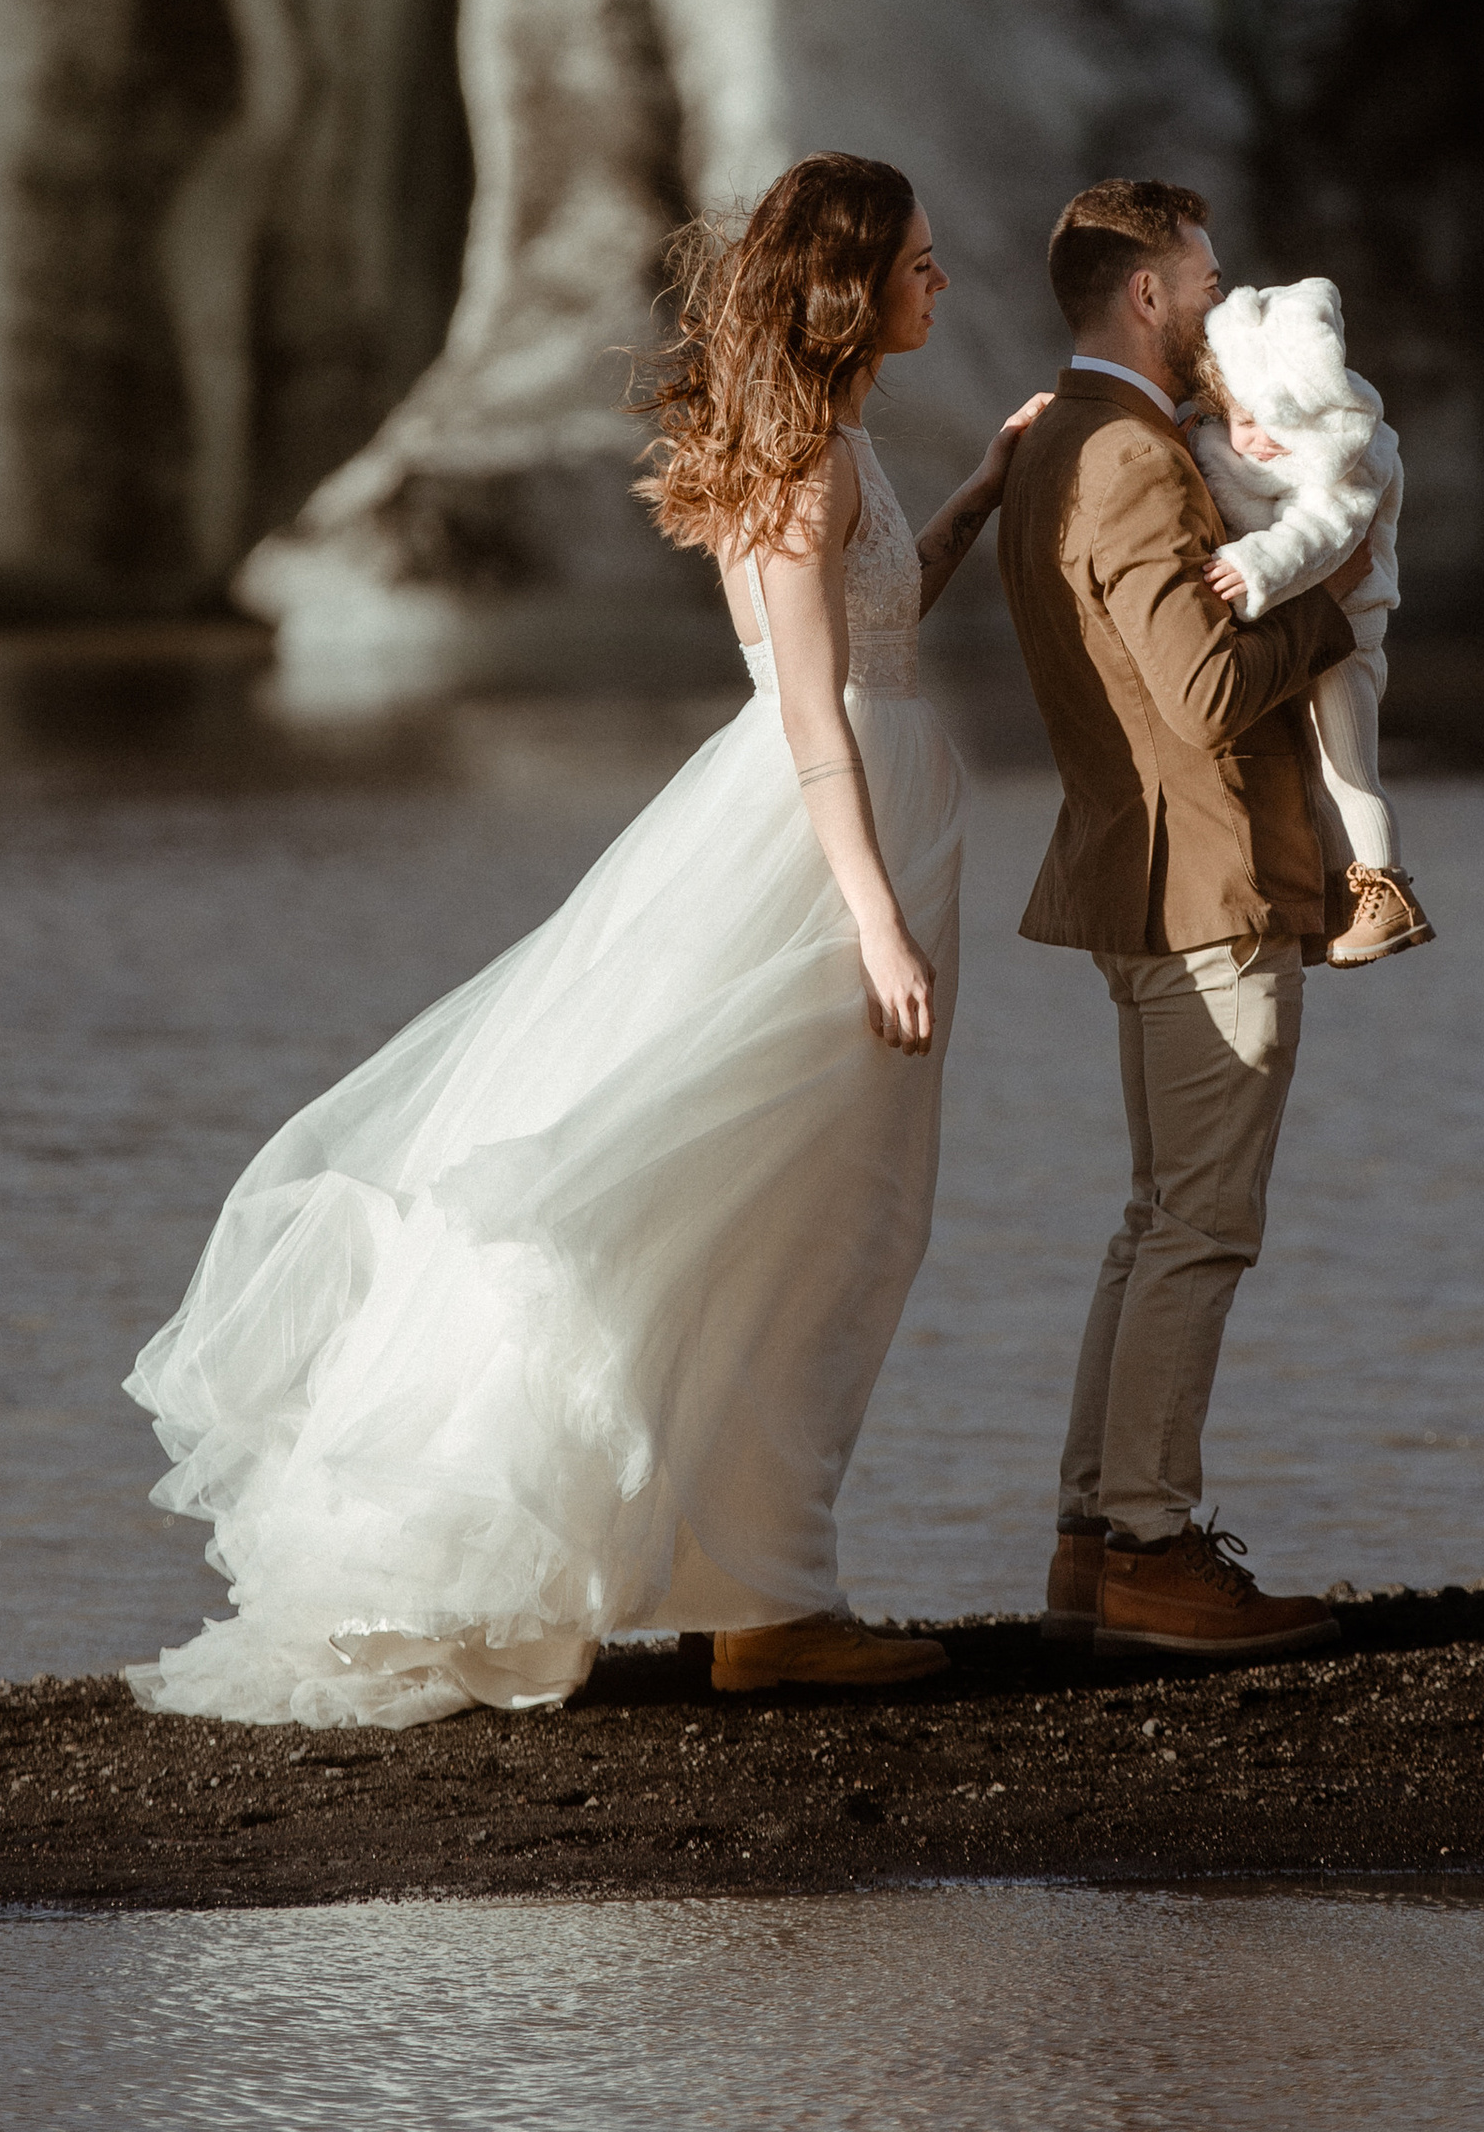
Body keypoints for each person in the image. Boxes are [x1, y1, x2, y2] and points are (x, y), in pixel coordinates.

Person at [123, 152, 1045, 1725]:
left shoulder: (836, 454)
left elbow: (874, 634)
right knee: (809, 1214)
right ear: (848, 286)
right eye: (918, 264)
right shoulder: (807, 469)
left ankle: (762, 1586)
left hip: (834, 832)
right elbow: (816, 719)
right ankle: (771, 1607)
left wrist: (976, 496)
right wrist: (877, 922)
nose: (940, 285)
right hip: (811, 855)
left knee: (817, 1213)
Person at [997, 179, 1364, 1662]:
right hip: (1204, 887)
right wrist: (1335, 590)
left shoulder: (1055, 443)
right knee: (1201, 1225)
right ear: (1146, 293)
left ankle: (1097, 1543)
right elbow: (1206, 690)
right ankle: (1150, 1546)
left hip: (1137, 878)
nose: (1225, 303)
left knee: (1156, 1221)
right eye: (1208, 280)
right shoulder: (1130, 458)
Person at [1190, 276, 1431, 968]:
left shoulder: (1353, 454)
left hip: (1347, 637)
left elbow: (1325, 534)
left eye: (1274, 421)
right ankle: (1338, 892)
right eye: (1241, 422)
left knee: (1349, 769)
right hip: (1298, 634)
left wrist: (1259, 564)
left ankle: (1387, 892)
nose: (1259, 441)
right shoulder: (1223, 442)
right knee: (1312, 773)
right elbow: (1224, 459)